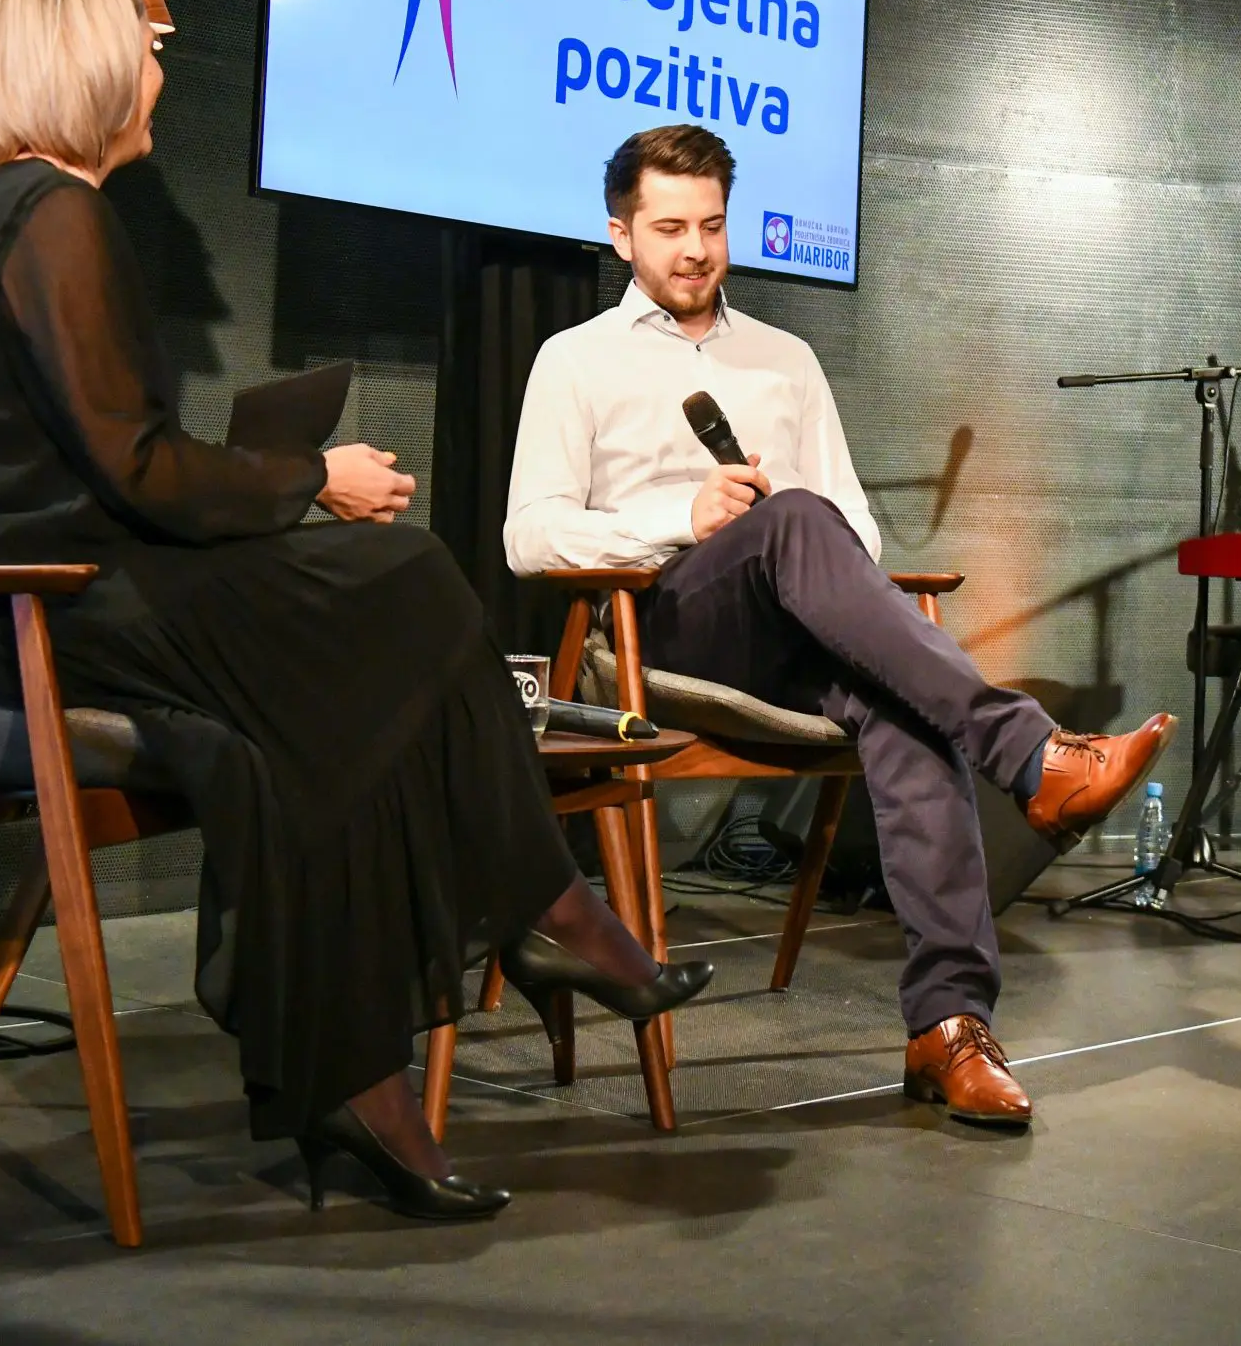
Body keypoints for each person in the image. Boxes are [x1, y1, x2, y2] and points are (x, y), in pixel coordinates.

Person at [0, 0, 711, 1222]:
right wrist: (311, 475)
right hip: (30, 610)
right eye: (146, 46)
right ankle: (543, 909)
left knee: (330, 707)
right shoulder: (54, 214)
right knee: (409, 580)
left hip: (29, 594)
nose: (159, 71)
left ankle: (368, 1078)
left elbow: (90, 462)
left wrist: (271, 482)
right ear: (89, 65)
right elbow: (135, 469)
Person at [503, 123, 1174, 1128]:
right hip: (663, 627)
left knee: (901, 702)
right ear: (621, 235)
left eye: (712, 226)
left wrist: (797, 532)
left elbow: (853, 527)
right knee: (793, 523)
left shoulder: (786, 360)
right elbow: (528, 536)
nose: (695, 250)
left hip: (800, 621)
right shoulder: (575, 360)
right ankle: (1033, 757)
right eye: (670, 228)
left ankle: (948, 1025)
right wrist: (683, 518)